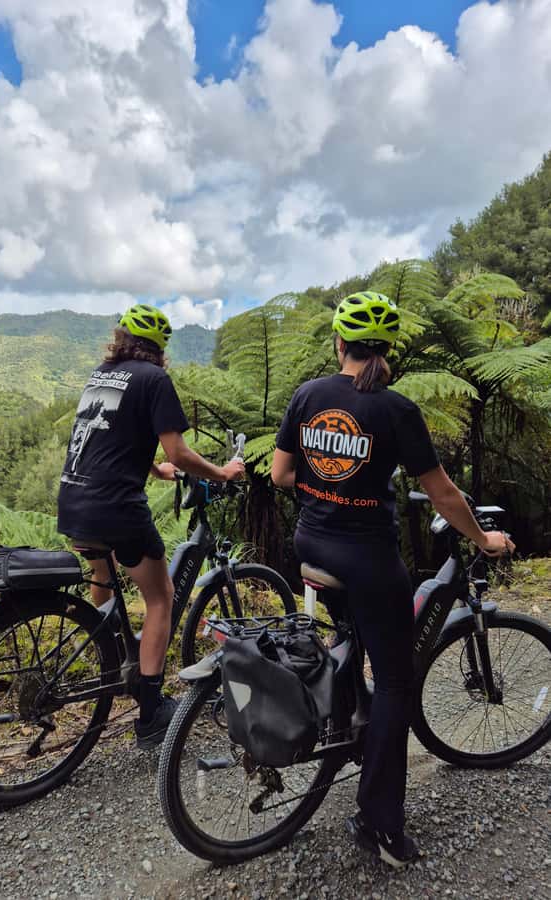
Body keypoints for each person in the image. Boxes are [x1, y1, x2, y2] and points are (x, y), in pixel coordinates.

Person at [271, 291, 514, 868]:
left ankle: (350, 716)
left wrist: (327, 483)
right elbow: (444, 494)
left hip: (310, 544)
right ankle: (379, 823)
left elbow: (281, 475)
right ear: (388, 352)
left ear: (340, 343)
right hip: (367, 558)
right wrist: (484, 539)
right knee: (399, 682)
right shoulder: (397, 409)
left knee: (353, 632)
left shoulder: (308, 396)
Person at [58, 303, 245, 749]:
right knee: (160, 597)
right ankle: (150, 711)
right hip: (116, 508)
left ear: (120, 337)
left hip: (74, 501)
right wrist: (220, 472)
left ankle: (112, 656)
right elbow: (178, 451)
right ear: (159, 349)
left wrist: (154, 470)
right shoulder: (155, 379)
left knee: (104, 577)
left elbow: (109, 436)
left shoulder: (101, 373)